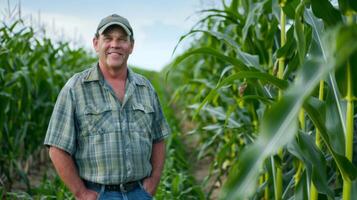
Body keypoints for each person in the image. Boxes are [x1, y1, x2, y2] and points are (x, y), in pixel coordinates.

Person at [44, 14, 170, 200]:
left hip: (139, 192)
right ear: (96, 43)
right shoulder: (76, 88)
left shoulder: (145, 88)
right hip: (98, 194)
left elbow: (158, 138)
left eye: (122, 39)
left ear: (131, 46)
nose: (115, 45)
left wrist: (154, 181)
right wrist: (81, 193)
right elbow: (57, 147)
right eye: (108, 38)